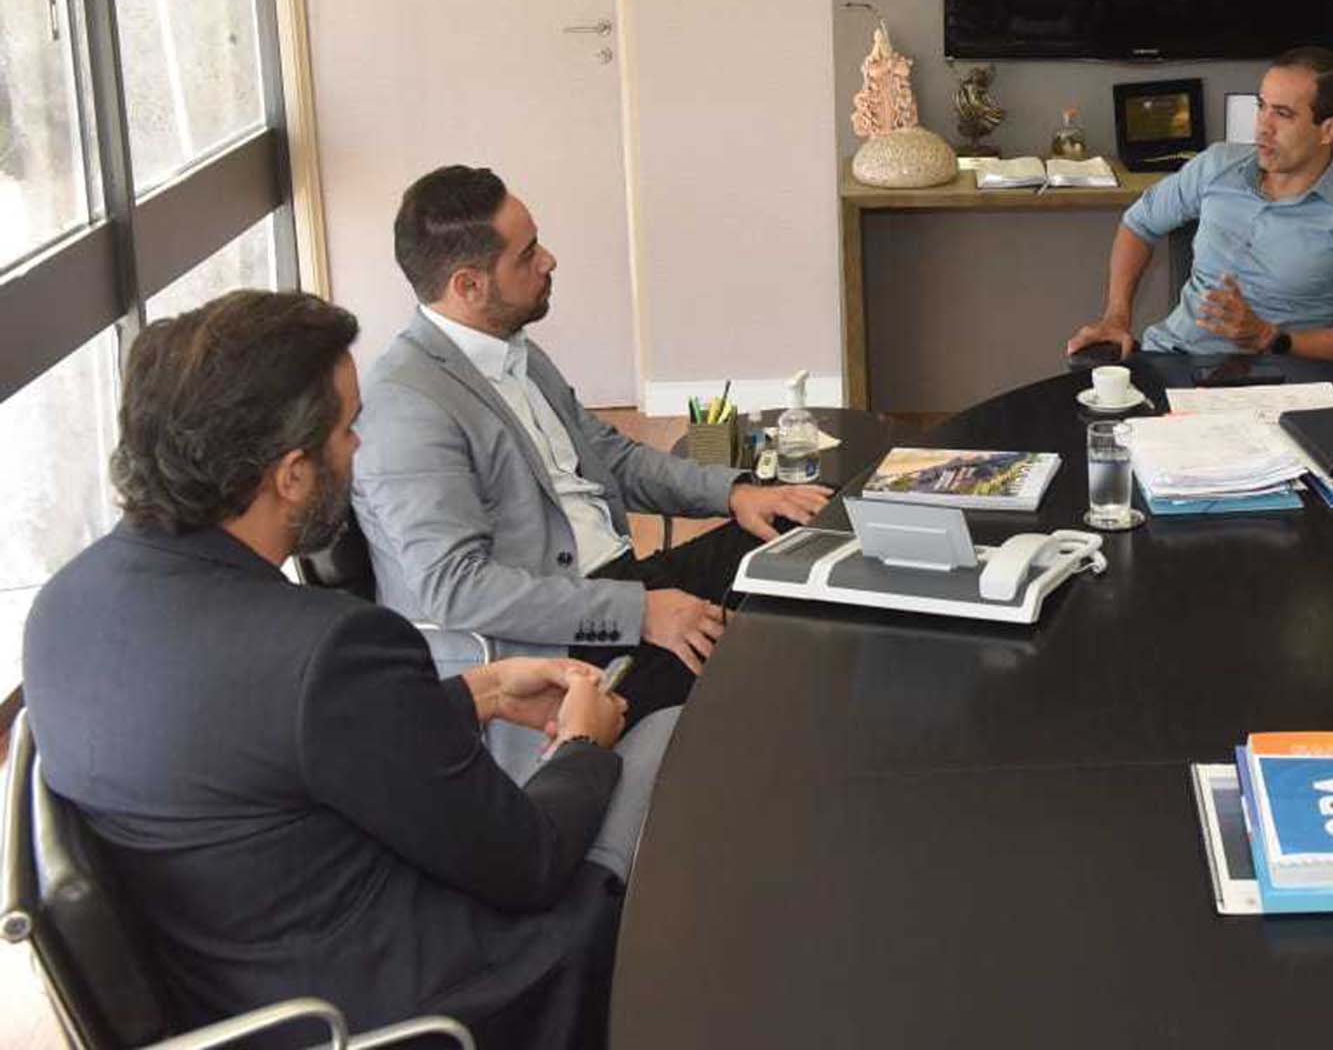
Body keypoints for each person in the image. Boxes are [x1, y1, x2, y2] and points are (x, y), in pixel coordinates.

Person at [23, 291, 663, 1048]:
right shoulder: (328, 648)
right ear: (292, 473)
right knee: (663, 738)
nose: (361, 447)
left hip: (236, 987)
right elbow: (530, 862)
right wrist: (585, 745)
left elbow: (273, 749)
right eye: (349, 427)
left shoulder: (63, 605)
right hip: (421, 1005)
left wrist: (481, 691)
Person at [353, 165, 827, 732]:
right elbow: (455, 585)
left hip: (623, 585)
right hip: (568, 648)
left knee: (811, 531)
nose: (549, 260)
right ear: (468, 285)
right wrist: (640, 613)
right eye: (527, 255)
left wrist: (735, 494)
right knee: (780, 661)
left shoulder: (508, 347)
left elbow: (612, 457)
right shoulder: (407, 406)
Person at [1065, 48, 1333, 366]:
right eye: (1262, 107)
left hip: (1280, 381)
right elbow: (1138, 224)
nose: (1263, 127)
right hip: (1174, 359)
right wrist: (1116, 317)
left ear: (1329, 130)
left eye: (1283, 114)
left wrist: (1269, 338)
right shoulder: (1217, 165)